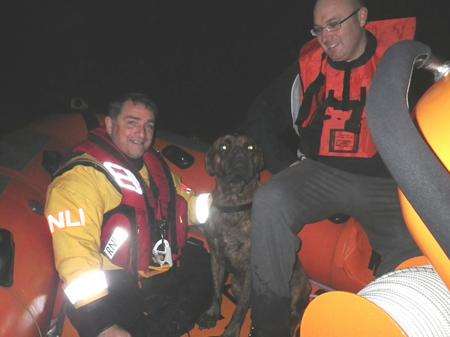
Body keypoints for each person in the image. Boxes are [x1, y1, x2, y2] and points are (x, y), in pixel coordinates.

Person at [248, 0, 422, 336]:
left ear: (362, 17)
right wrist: (286, 167)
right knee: (269, 201)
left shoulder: (405, 61)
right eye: (319, 28)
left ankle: (388, 320)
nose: (326, 36)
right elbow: (263, 115)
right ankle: (269, 324)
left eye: (334, 24)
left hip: (384, 183)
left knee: (411, 250)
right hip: (320, 173)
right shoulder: (309, 64)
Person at [45, 93, 212, 337]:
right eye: (132, 123)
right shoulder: (80, 179)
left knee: (205, 267)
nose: (142, 134)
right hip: (113, 280)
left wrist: (223, 208)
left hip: (155, 268)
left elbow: (183, 206)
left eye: (149, 126)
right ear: (110, 125)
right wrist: (103, 325)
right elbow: (76, 257)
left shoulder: (153, 165)